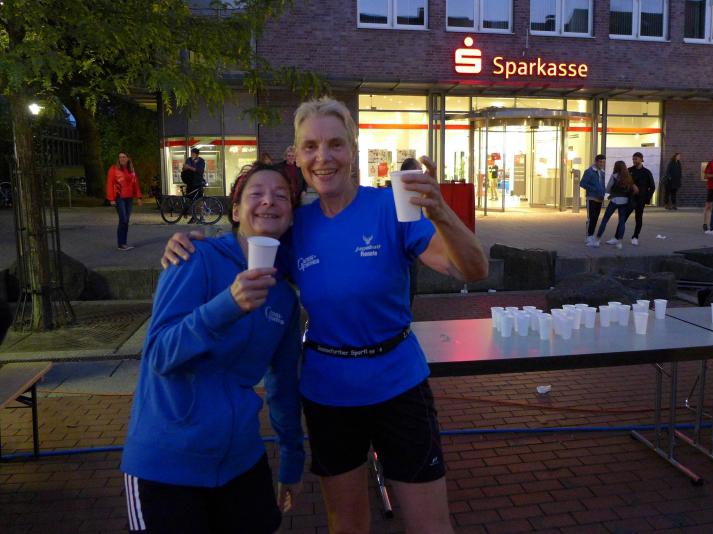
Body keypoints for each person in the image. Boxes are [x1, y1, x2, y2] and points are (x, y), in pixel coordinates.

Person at [162, 97, 489, 534]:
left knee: (429, 525)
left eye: (335, 144)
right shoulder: (296, 225)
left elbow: (472, 269)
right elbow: (243, 247)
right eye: (310, 147)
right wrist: (191, 242)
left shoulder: (391, 207)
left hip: (399, 384)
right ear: (297, 157)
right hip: (329, 393)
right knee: (348, 524)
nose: (323, 157)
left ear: (353, 150)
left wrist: (442, 212)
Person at [121, 162, 304, 534]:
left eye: (281, 196)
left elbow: (283, 386)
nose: (268, 201)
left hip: (241, 461)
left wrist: (292, 460)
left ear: (290, 217)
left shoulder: (284, 298)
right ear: (235, 211)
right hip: (168, 463)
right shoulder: (193, 256)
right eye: (256, 193)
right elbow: (159, 355)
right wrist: (227, 305)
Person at [595, 161, 638, 250]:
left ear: (616, 167)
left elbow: (608, 188)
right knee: (622, 222)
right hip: (624, 202)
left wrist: (611, 193)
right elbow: (633, 190)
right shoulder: (629, 177)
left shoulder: (615, 176)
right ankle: (619, 243)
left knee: (605, 220)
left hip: (614, 200)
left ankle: (597, 240)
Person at [105, 152, 142, 251]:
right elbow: (110, 184)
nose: (121, 159)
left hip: (129, 198)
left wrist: (139, 197)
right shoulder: (113, 169)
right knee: (123, 220)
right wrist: (111, 199)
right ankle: (121, 244)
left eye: (124, 157)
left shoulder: (131, 169)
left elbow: (135, 183)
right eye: (120, 157)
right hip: (119, 197)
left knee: (126, 221)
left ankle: (123, 243)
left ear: (128, 158)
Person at [625, 152, 655, 246]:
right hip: (630, 198)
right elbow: (624, 182)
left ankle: (635, 237)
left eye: (636, 159)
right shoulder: (629, 170)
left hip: (641, 199)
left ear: (641, 159)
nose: (634, 161)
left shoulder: (647, 172)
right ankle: (617, 236)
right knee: (623, 217)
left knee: (638, 218)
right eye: (633, 159)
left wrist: (647, 198)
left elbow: (652, 187)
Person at [579, 154, 606, 247]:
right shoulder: (589, 171)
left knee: (596, 218)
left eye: (603, 162)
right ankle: (588, 236)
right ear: (596, 161)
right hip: (591, 197)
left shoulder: (603, 172)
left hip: (599, 198)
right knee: (591, 217)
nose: (602, 164)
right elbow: (582, 183)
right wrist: (594, 189)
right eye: (600, 162)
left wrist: (603, 192)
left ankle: (591, 234)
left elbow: (603, 185)